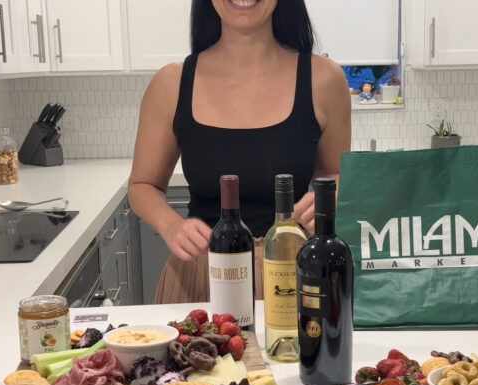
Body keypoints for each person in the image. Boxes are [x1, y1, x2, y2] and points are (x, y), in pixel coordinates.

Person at [128, 0, 351, 304]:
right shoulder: (171, 84)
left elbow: (335, 174)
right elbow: (143, 184)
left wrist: (330, 199)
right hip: (201, 277)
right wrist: (170, 224)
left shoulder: (324, 80)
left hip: (291, 276)